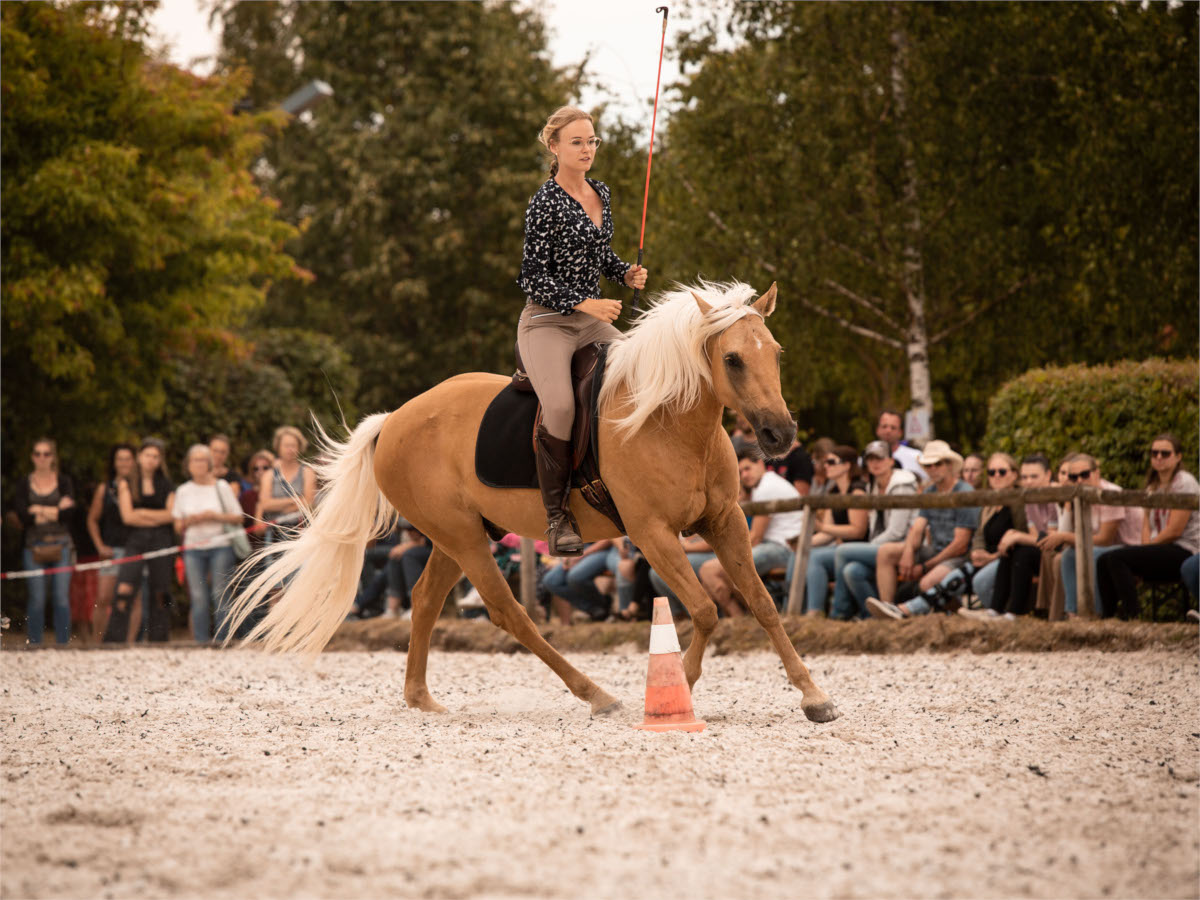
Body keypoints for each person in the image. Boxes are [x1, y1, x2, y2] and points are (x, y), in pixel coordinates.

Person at [515, 105, 647, 556]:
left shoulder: (601, 192)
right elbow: (531, 277)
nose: (587, 149)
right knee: (560, 405)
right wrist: (586, 301)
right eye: (577, 142)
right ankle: (557, 518)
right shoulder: (544, 202)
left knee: (641, 378)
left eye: (592, 141)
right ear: (554, 147)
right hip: (547, 322)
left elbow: (599, 255)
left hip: (591, 322)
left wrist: (624, 272)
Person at [866, 440, 979, 619]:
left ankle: (960, 615)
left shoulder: (964, 492)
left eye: (937, 464)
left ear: (949, 465)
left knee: (928, 582)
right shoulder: (929, 492)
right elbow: (917, 528)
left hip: (960, 557)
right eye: (928, 465)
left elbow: (961, 545)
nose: (932, 468)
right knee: (886, 552)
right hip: (937, 550)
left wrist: (925, 566)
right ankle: (887, 609)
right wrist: (908, 552)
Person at [1096, 434, 1199, 619]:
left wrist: (1145, 550)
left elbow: (1174, 530)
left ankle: (1132, 616)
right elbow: (1147, 523)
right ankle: (1108, 618)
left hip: (1185, 549)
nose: (1159, 457)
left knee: (1117, 559)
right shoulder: (1153, 486)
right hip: (1161, 547)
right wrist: (1142, 551)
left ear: (1178, 457)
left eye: (1165, 453)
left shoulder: (1184, 482)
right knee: (1104, 560)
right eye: (1154, 453)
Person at [698, 446, 805, 617]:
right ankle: (748, 619)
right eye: (740, 471)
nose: (744, 475)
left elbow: (755, 538)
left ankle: (751, 618)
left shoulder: (767, 487)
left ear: (761, 464)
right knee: (710, 573)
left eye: (748, 468)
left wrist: (725, 553)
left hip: (784, 548)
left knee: (711, 570)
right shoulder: (766, 484)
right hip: (777, 546)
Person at [1038, 453, 1143, 616]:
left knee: (1091, 555)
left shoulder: (1109, 494)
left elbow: (1105, 539)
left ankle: (1095, 613)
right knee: (1068, 556)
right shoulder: (1080, 496)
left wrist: (1064, 536)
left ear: (1097, 473)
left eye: (1084, 475)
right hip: (1106, 549)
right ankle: (1072, 612)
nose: (1079, 481)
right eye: (1073, 477)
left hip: (1130, 548)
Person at [834, 440, 919, 619]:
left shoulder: (901, 485)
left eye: (879, 459)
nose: (874, 463)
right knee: (852, 570)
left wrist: (869, 545)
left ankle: (839, 614)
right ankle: (872, 616)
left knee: (842, 551)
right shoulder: (874, 485)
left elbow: (896, 532)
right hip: (884, 546)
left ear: (890, 461)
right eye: (870, 459)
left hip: (904, 545)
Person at [106, 439, 175, 643]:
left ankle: (159, 639)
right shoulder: (126, 482)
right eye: (148, 455)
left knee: (161, 592)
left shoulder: (167, 484)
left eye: (155, 456)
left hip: (162, 540)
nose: (151, 460)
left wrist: (142, 513)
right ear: (139, 457)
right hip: (135, 539)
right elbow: (127, 517)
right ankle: (114, 640)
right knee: (124, 589)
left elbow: (172, 515)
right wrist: (157, 516)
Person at [173, 444, 243, 642]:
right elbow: (177, 526)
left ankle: (223, 640)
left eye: (203, 460)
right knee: (198, 596)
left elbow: (238, 517)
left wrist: (215, 516)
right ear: (188, 465)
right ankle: (201, 641)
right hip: (193, 548)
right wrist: (189, 521)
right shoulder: (183, 490)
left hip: (221, 545)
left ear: (209, 463)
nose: (199, 464)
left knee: (220, 594)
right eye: (195, 460)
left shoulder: (221, 487)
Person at [13, 438, 76, 645]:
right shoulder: (24, 483)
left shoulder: (64, 481)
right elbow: (23, 516)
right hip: (33, 547)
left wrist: (37, 509)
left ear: (53, 457)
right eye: (37, 453)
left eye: (46, 453)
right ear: (32, 457)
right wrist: (55, 510)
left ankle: (63, 644)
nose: (41, 458)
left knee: (61, 598)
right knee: (37, 599)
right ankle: (34, 643)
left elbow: (69, 514)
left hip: (61, 545)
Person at [801, 445, 868, 616]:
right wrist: (804, 542)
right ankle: (796, 610)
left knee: (816, 557)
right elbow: (828, 533)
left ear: (847, 465)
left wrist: (821, 527)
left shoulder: (857, 490)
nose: (826, 466)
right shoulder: (835, 490)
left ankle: (822, 612)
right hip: (840, 548)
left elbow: (858, 531)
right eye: (825, 462)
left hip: (859, 547)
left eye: (831, 462)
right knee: (803, 551)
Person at [85, 443, 135, 644]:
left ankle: (129, 644)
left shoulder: (139, 487)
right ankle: (97, 643)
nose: (124, 463)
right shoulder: (104, 489)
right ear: (114, 463)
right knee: (103, 598)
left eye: (127, 458)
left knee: (133, 599)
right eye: (119, 459)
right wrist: (99, 546)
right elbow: (92, 519)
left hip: (134, 549)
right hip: (111, 550)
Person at [257, 427, 317, 543]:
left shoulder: (307, 472)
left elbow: (309, 503)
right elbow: (265, 504)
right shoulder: (269, 475)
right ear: (278, 447)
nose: (290, 449)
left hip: (301, 533)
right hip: (274, 534)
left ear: (299, 447)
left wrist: (278, 506)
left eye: (293, 445)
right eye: (286, 445)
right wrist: (295, 500)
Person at [875, 409, 925, 479]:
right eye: (884, 426)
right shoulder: (866, 458)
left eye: (893, 427)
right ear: (877, 430)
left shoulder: (917, 457)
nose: (888, 431)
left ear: (900, 432)